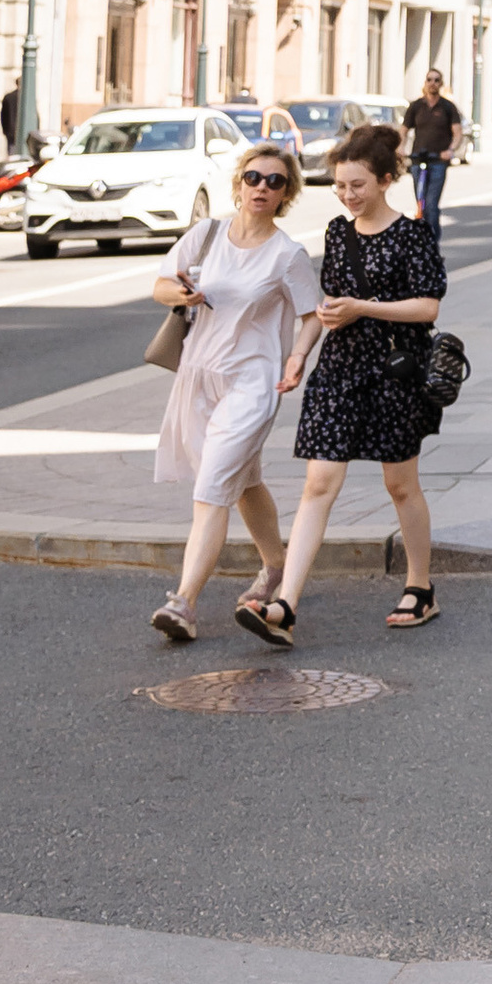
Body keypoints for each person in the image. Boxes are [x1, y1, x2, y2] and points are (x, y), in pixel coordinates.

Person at [261, 121, 449, 636]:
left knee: (399, 484)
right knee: (318, 483)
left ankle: (420, 586)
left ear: (387, 179)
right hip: (340, 368)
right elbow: (330, 306)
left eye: (357, 186)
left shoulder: (412, 235)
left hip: (393, 371)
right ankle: (284, 606)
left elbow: (428, 305)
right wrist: (300, 353)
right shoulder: (337, 232)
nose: (347, 196)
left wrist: (363, 307)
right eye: (340, 186)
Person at [145, 143, 321, 647]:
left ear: (287, 194)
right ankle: (276, 567)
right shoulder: (205, 235)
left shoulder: (287, 254)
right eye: (253, 177)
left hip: (252, 382)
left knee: (211, 487)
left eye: (275, 181)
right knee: (242, 483)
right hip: (198, 379)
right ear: (238, 184)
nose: (262, 187)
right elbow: (160, 285)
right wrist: (181, 294)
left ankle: (183, 603)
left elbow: (312, 314)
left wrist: (297, 357)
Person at [403, 68, 464, 232]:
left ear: (441, 84)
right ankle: (422, 239)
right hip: (418, 159)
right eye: (429, 80)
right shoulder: (416, 106)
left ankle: (432, 241)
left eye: (436, 80)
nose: (433, 83)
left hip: (438, 161)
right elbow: (403, 131)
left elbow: (458, 134)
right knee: (420, 205)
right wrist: (400, 148)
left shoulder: (447, 107)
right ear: (425, 83)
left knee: (431, 205)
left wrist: (450, 150)